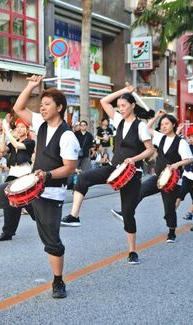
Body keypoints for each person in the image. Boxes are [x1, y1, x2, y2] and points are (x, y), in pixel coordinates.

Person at [0, 75, 80, 299]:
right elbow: (19, 107)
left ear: (59, 107)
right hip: (31, 185)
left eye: (47, 104)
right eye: (41, 104)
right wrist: (30, 86)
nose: (42, 108)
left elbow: (69, 168)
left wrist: (47, 174)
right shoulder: (41, 124)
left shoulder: (68, 136)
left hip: (51, 192)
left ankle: (58, 281)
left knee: (52, 242)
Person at [61, 84, 155, 265]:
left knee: (128, 214)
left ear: (132, 105)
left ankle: (132, 251)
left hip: (132, 173)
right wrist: (124, 91)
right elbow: (104, 101)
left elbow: (149, 150)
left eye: (124, 105)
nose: (120, 108)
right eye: (119, 106)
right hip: (114, 168)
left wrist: (134, 159)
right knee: (83, 177)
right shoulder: (118, 120)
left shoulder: (141, 126)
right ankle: (74, 216)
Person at [110, 111, 193, 243]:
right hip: (158, 177)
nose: (163, 126)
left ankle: (171, 232)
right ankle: (125, 212)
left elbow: (189, 159)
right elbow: (146, 128)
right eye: (162, 124)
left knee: (169, 209)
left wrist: (177, 164)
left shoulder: (181, 142)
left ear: (173, 125)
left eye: (167, 124)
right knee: (140, 191)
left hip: (172, 179)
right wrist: (156, 116)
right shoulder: (160, 137)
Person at [0, 114, 36, 241]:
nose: (20, 129)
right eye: (18, 127)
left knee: (29, 203)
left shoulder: (30, 142)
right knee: (10, 203)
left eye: (23, 127)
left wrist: (7, 132)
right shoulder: (13, 142)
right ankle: (7, 232)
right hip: (13, 173)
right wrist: (3, 134)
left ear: (27, 130)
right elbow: (2, 149)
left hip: (25, 173)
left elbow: (18, 146)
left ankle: (44, 222)